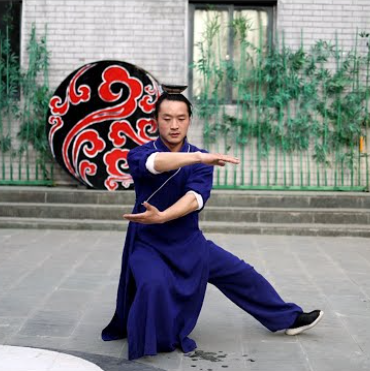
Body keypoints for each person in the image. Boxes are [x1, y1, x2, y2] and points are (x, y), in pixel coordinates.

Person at [101, 87, 324, 360]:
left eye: (181, 118)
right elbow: (156, 163)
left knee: (243, 274)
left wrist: (163, 215)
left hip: (189, 242)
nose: (174, 125)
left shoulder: (203, 160)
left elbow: (195, 199)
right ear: (155, 121)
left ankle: (290, 318)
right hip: (149, 244)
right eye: (167, 118)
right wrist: (196, 157)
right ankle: (152, 339)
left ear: (189, 121)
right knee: (152, 283)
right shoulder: (141, 154)